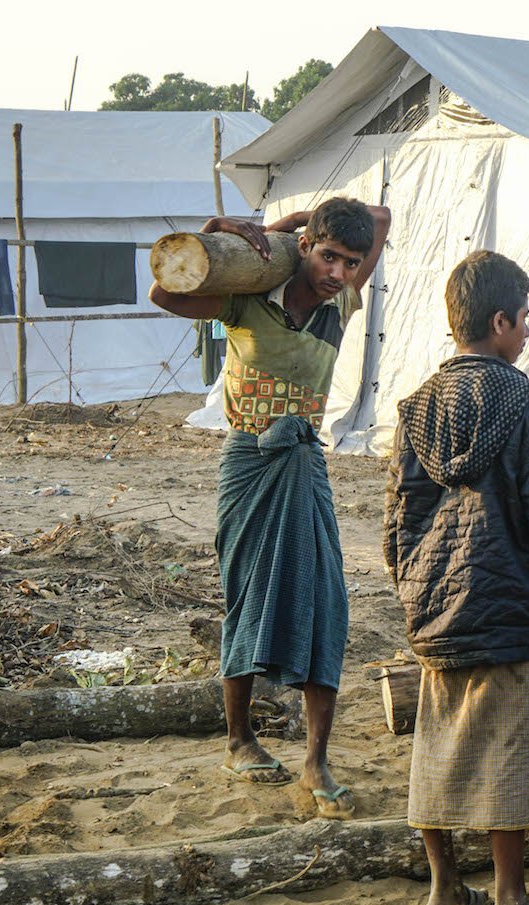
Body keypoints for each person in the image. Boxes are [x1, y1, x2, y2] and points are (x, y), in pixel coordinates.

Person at [150, 197, 390, 817]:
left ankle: (315, 760)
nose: (337, 271)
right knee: (246, 593)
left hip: (306, 462)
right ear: (310, 248)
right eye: (328, 255)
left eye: (350, 261)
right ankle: (238, 740)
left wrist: (288, 227)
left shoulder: (342, 304)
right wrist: (219, 232)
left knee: (325, 601)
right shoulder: (248, 299)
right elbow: (165, 295)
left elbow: (381, 216)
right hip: (248, 461)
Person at [384, 250, 529, 905]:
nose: (528, 331)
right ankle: (511, 903)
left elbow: (396, 523)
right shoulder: (528, 406)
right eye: (525, 318)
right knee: (511, 749)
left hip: (435, 610)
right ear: (501, 321)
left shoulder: (415, 410)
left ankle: (446, 891)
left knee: (436, 743)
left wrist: (416, 597)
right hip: (507, 609)